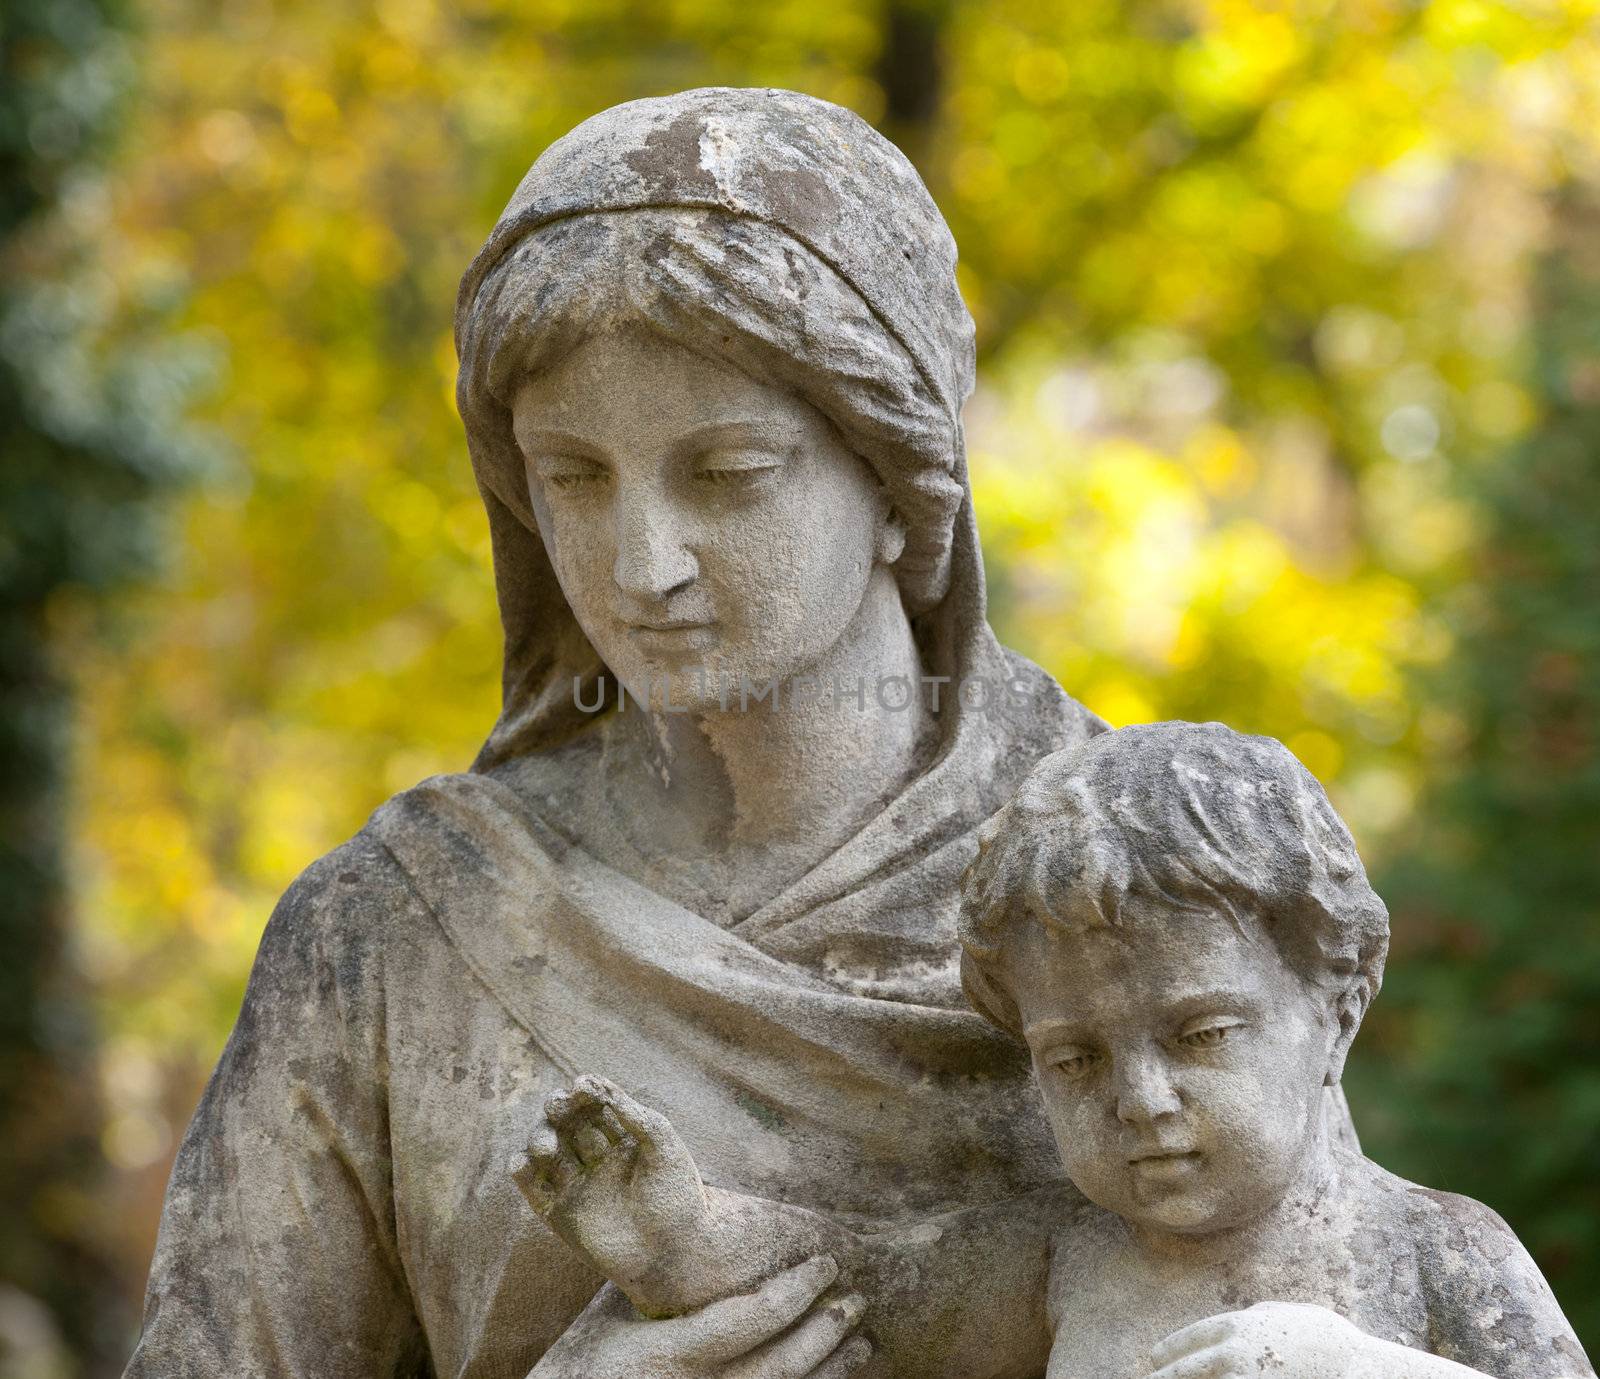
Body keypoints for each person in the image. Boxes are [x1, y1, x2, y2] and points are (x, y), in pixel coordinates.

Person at [124, 88, 1107, 1377]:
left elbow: (1300, 1306)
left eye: (728, 474)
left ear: (899, 483)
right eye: (573, 478)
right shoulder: (399, 928)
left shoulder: (1127, 865)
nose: (644, 565)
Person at [521, 723, 1593, 1379]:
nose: (1141, 1096)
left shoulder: (1434, 1247)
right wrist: (679, 1237)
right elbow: (854, 1280)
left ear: (1340, 1004)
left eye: (1200, 1032)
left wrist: (1353, 1368)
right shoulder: (1067, 1259)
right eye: (1074, 1057)